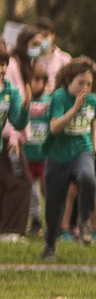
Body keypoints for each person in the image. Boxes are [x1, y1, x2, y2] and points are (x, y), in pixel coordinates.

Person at [40, 58, 96, 260]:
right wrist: (74, 109)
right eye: (81, 83)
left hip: (82, 149)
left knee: (88, 177)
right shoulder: (59, 98)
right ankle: (50, 244)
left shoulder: (93, 100)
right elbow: (54, 127)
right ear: (69, 80)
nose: (85, 88)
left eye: (89, 84)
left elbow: (92, 124)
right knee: (54, 206)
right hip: (58, 155)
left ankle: (85, 221)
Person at [0, 41, 31, 241]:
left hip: (5, 144)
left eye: (4, 64)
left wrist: (26, 105)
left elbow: (18, 121)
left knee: (22, 181)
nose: (2, 69)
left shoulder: (9, 89)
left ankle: (10, 231)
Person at [21, 65, 52, 236]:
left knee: (47, 190)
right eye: (32, 79)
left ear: (45, 82)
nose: (35, 83)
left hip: (44, 155)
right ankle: (35, 220)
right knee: (31, 191)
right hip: (28, 154)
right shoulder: (25, 100)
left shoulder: (49, 101)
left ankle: (52, 221)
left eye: (39, 80)